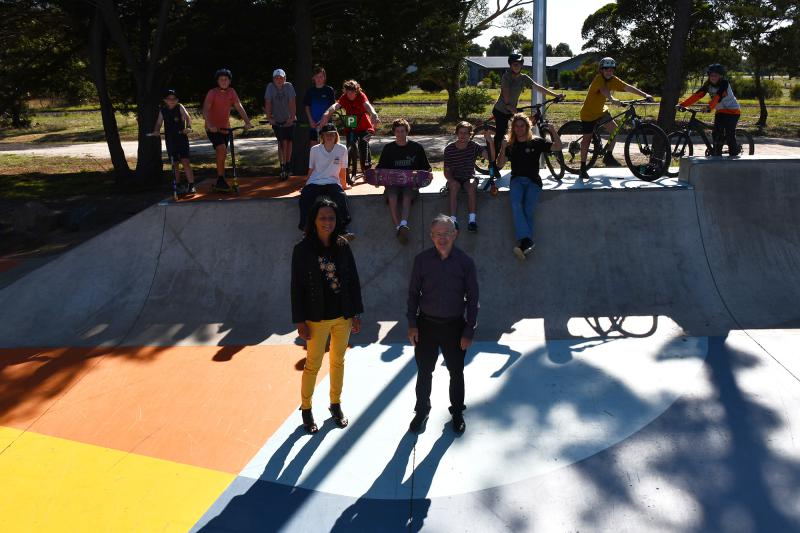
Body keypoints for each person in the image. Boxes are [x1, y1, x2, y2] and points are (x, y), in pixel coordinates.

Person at [291, 197, 363, 434]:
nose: (327, 222)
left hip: (342, 316)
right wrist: (300, 321)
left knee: (338, 361)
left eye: (331, 218)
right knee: (313, 364)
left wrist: (355, 313)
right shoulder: (301, 250)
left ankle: (335, 404)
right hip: (315, 318)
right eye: (322, 217)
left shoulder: (342, 245)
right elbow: (296, 287)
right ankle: (306, 408)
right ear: (313, 220)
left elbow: (353, 281)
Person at [407, 214, 479, 434]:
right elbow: (412, 294)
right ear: (431, 236)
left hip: (454, 327)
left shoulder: (465, 262)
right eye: (438, 234)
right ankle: (422, 411)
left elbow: (473, 299)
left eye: (447, 233)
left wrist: (468, 331)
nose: (442, 238)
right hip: (426, 325)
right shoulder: (421, 260)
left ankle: (457, 412)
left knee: (456, 373)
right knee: (424, 371)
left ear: (455, 234)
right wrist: (412, 324)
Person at [496, 113, 562, 260]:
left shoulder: (537, 141)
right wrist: (502, 147)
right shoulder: (511, 144)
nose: (519, 129)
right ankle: (527, 242)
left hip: (534, 181)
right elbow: (500, 164)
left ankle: (524, 244)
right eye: (516, 126)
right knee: (516, 204)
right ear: (512, 128)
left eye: (522, 126)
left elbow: (558, 147)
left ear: (527, 126)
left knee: (528, 210)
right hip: (517, 180)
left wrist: (553, 131)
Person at [578, 57, 653, 180]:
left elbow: (627, 87)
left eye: (612, 69)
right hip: (588, 113)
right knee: (586, 139)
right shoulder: (598, 79)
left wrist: (645, 95)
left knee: (615, 130)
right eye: (606, 69)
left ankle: (608, 156)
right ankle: (582, 168)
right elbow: (604, 90)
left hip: (601, 112)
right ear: (601, 70)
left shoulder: (613, 80)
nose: (609, 71)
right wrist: (613, 100)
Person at [492, 52, 564, 155]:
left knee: (519, 129)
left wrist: (555, 95)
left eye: (518, 64)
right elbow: (506, 91)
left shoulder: (523, 77)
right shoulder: (506, 77)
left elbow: (537, 87)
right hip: (501, 110)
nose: (516, 66)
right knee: (500, 135)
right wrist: (508, 105)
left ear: (521, 65)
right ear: (510, 65)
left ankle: (512, 152)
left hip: (511, 109)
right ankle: (493, 161)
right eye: (514, 64)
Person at [376, 118, 431, 244]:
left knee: (407, 196)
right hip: (393, 182)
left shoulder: (417, 147)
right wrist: (376, 176)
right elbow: (381, 167)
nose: (400, 134)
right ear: (394, 133)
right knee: (392, 197)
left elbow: (426, 168)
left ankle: (404, 224)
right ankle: (399, 228)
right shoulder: (388, 148)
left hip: (410, 182)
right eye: (397, 131)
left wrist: (427, 176)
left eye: (402, 131)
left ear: (407, 132)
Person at [300, 123, 354, 239]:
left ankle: (343, 230)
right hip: (315, 182)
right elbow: (311, 168)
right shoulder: (314, 149)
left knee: (341, 197)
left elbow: (343, 170)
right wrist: (305, 185)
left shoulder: (342, 149)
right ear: (322, 136)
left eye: (332, 134)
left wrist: (344, 185)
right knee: (305, 197)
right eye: (326, 134)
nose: (329, 136)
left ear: (336, 136)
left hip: (332, 182)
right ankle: (306, 229)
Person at [203, 68, 253, 191]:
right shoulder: (212, 92)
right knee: (222, 149)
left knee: (223, 153)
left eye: (226, 79)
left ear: (229, 81)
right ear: (217, 81)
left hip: (226, 128)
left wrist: (247, 122)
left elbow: (239, 106)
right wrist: (209, 125)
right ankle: (220, 178)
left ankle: (221, 179)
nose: (224, 81)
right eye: (221, 79)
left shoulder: (231, 92)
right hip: (213, 128)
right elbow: (205, 110)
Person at [320, 79, 380, 179]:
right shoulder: (344, 97)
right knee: (349, 145)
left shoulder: (361, 95)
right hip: (351, 124)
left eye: (352, 92)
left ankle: (367, 169)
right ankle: (347, 170)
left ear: (356, 91)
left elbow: (367, 105)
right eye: (347, 93)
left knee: (363, 145)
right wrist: (327, 113)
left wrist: (374, 114)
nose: (350, 95)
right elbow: (336, 106)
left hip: (365, 126)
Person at [679, 63, 741, 156]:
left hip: (733, 111)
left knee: (729, 135)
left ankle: (734, 156)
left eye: (715, 75)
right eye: (711, 75)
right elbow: (697, 95)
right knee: (716, 134)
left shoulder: (724, 83)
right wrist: (682, 105)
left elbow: (718, 97)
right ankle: (717, 154)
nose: (713, 77)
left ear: (720, 76)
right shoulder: (707, 84)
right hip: (721, 111)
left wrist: (709, 108)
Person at [443, 121, 492, 232]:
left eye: (466, 133)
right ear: (457, 133)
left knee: (471, 186)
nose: (463, 136)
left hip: (468, 176)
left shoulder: (474, 146)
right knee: (454, 187)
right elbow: (446, 171)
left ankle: (472, 221)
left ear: (470, 135)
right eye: (460, 133)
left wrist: (490, 142)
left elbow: (490, 157)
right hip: (454, 177)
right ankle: (453, 220)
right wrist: (451, 180)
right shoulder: (449, 149)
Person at [150, 89, 196, 194]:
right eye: (169, 99)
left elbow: (188, 117)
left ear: (177, 99)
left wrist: (188, 127)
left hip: (181, 138)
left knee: (185, 161)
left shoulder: (179, 107)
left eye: (174, 98)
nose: (172, 100)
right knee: (174, 163)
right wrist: (156, 130)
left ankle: (191, 185)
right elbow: (158, 122)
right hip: (170, 140)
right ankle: (178, 185)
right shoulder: (163, 110)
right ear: (165, 100)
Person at [264, 68, 297, 180]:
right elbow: (268, 103)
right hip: (277, 119)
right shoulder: (270, 87)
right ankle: (282, 166)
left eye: (281, 78)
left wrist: (292, 117)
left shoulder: (289, 86)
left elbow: (292, 102)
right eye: (276, 78)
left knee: (289, 141)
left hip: (289, 118)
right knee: (281, 142)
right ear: (273, 79)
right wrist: (269, 118)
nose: (279, 80)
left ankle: (288, 164)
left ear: (284, 79)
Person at [303, 66, 336, 148]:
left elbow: (333, 107)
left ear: (324, 77)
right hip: (313, 124)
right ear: (313, 78)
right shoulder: (310, 91)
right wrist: (311, 120)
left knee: (328, 148)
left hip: (327, 125)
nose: (319, 79)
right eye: (317, 76)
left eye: (321, 76)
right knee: (314, 148)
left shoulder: (329, 90)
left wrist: (325, 119)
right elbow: (307, 107)